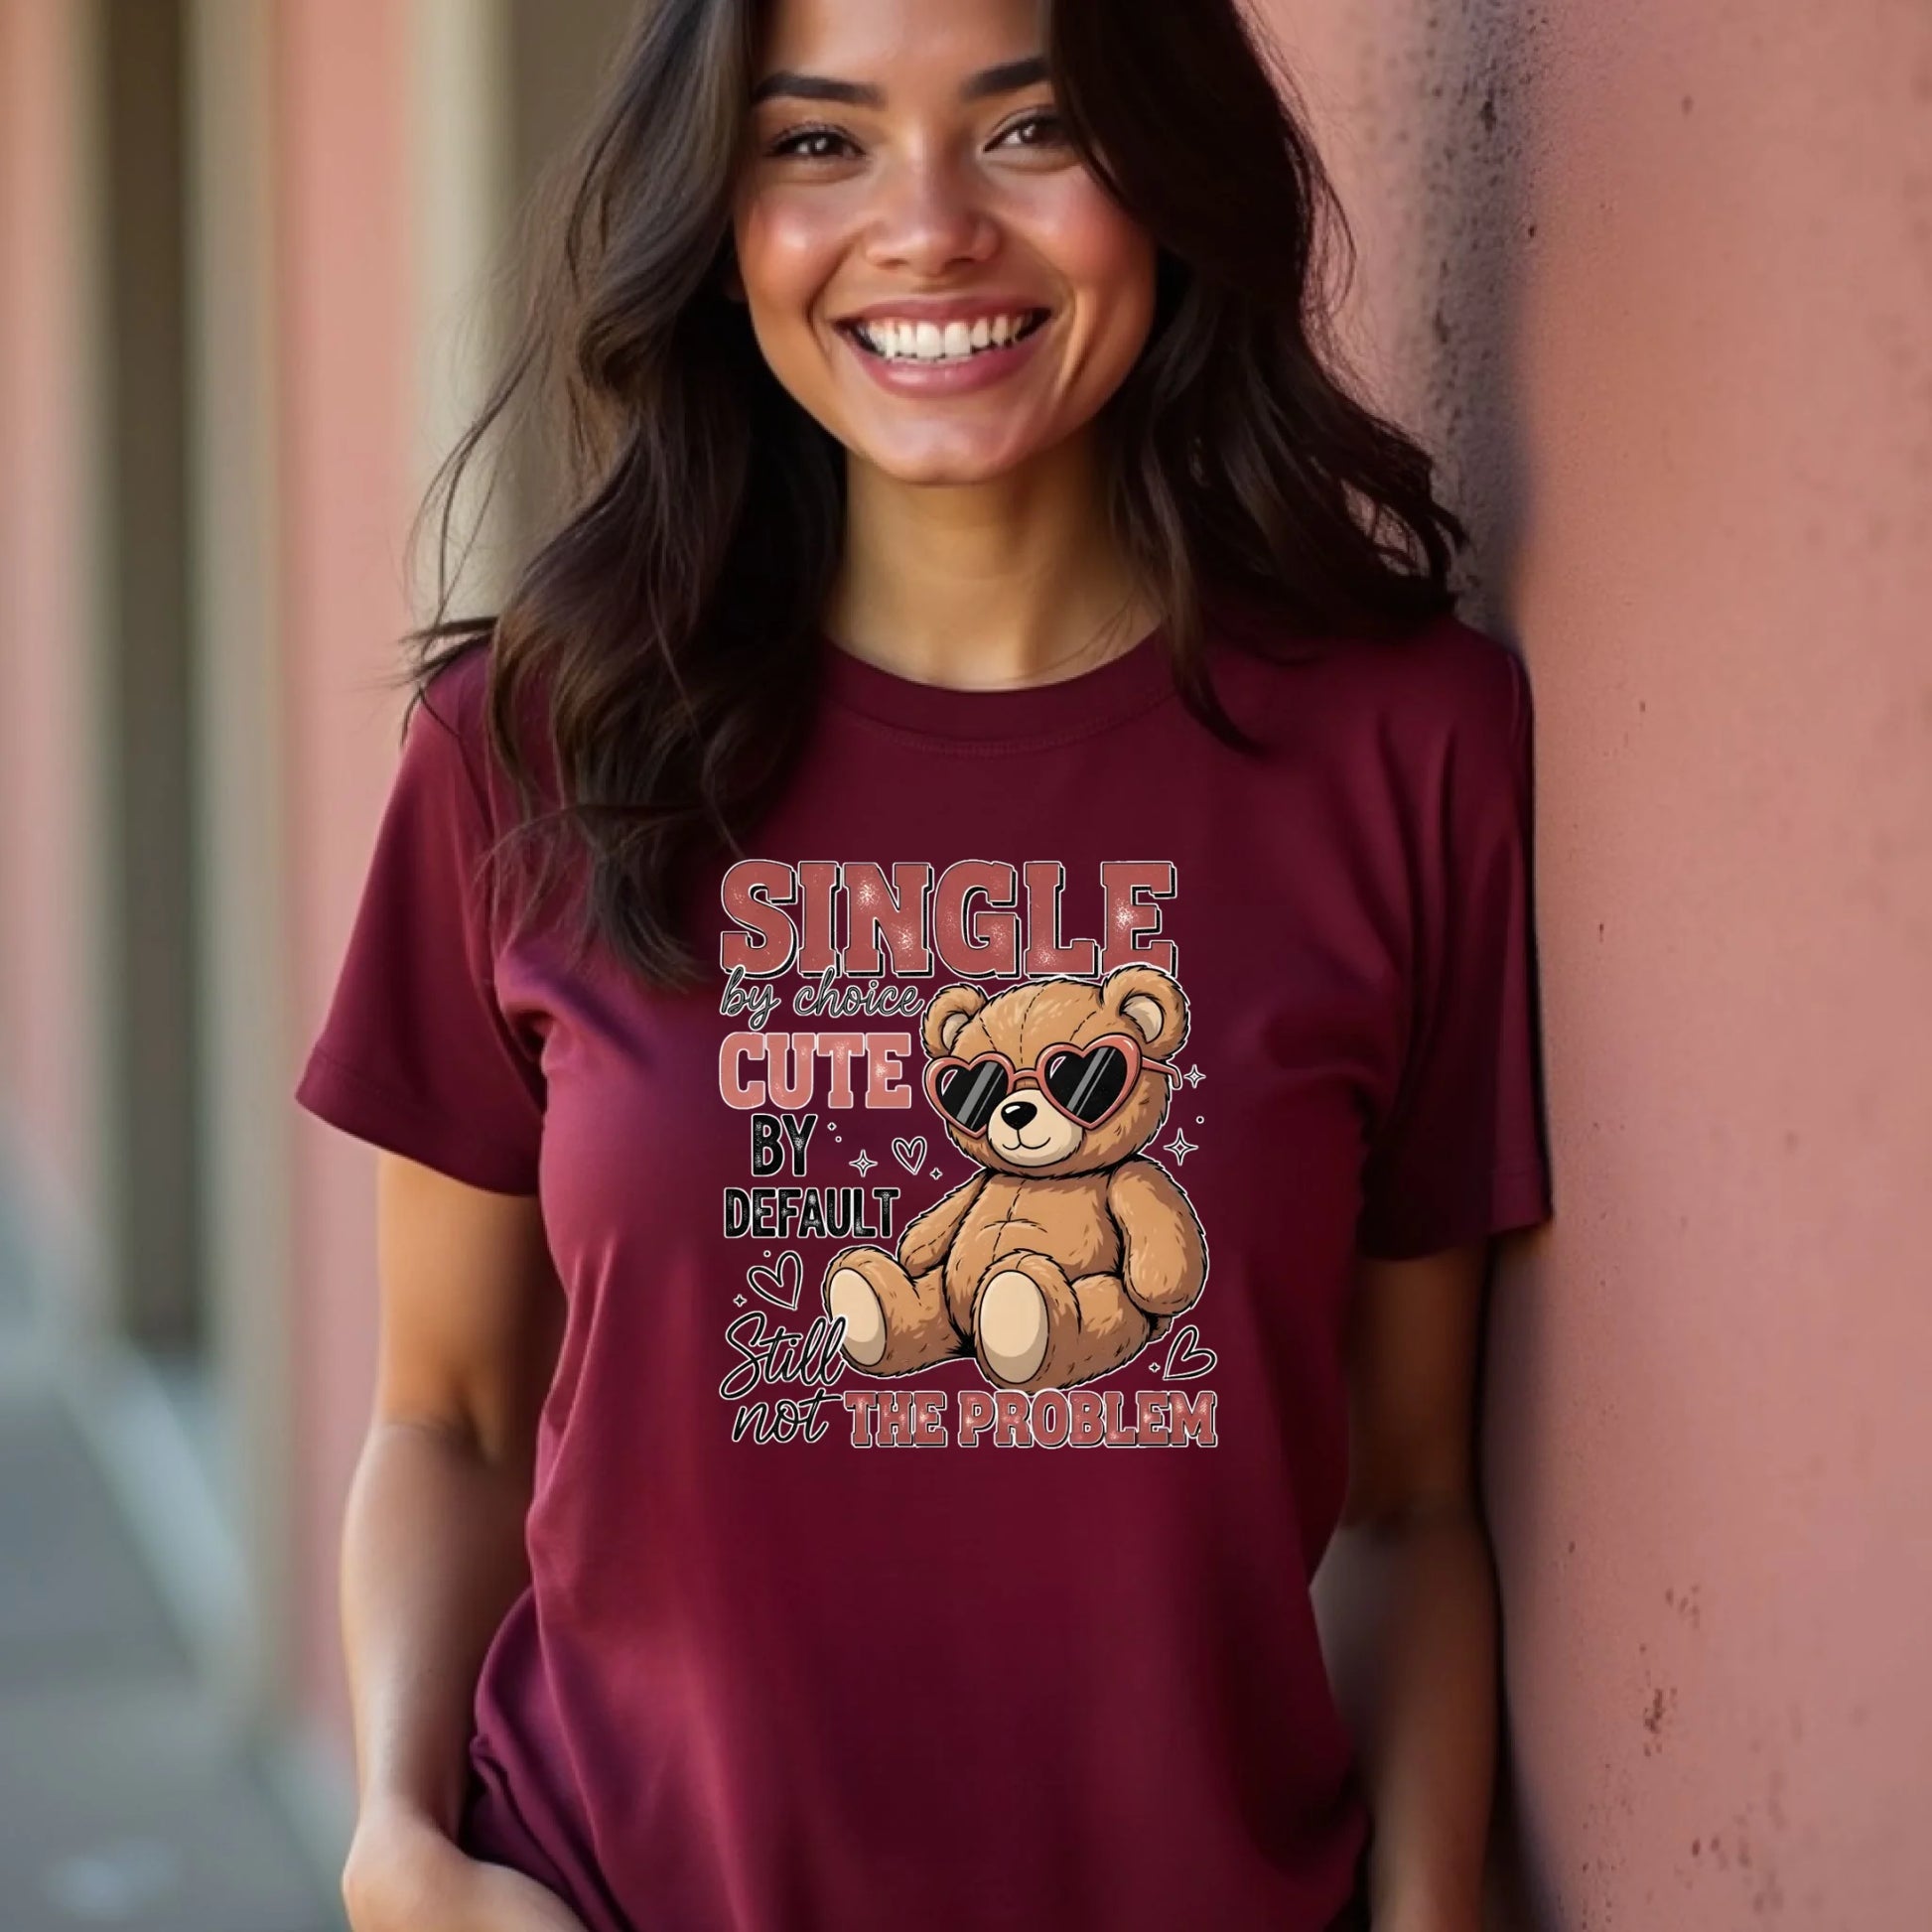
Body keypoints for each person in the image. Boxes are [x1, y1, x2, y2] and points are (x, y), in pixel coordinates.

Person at [295, 0, 1554, 1927]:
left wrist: (1431, 1905)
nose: (930, 226)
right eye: (818, 144)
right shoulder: (531, 746)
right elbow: (448, 1412)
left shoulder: (1411, 751)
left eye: (1028, 129)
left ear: (1168, 169)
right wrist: (400, 1845)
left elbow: (1406, 1497)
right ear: (718, 217)